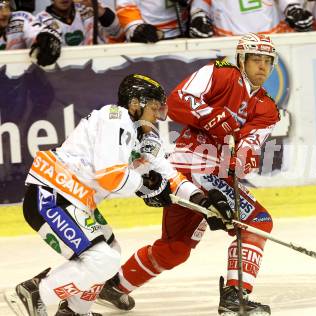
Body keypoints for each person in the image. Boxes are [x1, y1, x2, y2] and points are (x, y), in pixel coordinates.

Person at [12, 73, 232, 316]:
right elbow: (111, 177)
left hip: (73, 201)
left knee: (111, 253)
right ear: (135, 103)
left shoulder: (140, 134)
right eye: (154, 108)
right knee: (101, 259)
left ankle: (75, 311)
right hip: (52, 197)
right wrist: (146, 186)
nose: (158, 117)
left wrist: (202, 201)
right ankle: (37, 292)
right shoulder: (114, 118)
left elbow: (169, 175)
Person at [97, 32, 280, 315]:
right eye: (256, 59)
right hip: (189, 167)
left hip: (210, 176)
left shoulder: (268, 109)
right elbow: (178, 101)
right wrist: (210, 116)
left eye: (267, 61)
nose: (262, 67)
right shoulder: (220, 74)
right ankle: (235, 296)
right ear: (242, 59)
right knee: (259, 222)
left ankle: (116, 285)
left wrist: (243, 158)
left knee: (175, 248)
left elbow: (250, 147)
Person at [188, 0, 311, 38]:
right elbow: (202, 2)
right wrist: (198, 15)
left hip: (270, 39)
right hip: (228, 43)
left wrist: (293, 7)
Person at [0, 0, 61, 66]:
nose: (5, 13)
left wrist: (47, 37)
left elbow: (36, 32)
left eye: (6, 7)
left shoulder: (20, 18)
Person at [36, 0, 122, 46]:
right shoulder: (41, 20)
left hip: (96, 67)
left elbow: (116, 32)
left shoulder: (89, 8)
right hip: (62, 73)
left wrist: (95, 7)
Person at [115, 0, 190, 43]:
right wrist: (136, 28)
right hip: (149, 38)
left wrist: (197, 13)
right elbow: (125, 6)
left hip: (187, 34)